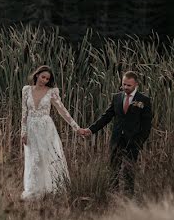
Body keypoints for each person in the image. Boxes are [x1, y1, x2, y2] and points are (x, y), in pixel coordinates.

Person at [78, 71, 152, 195]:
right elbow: (106, 116)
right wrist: (91, 130)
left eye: (129, 85)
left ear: (136, 85)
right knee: (113, 170)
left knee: (129, 172)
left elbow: (146, 125)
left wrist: (139, 142)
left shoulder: (144, 100)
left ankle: (128, 199)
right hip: (116, 140)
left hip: (132, 141)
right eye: (124, 84)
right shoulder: (117, 97)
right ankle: (113, 197)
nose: (126, 87)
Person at [20, 65, 81, 200]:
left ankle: (51, 188)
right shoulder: (26, 90)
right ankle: (34, 190)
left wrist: (76, 127)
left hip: (46, 128)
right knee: (33, 158)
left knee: (47, 157)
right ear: (37, 75)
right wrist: (23, 132)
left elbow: (62, 110)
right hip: (31, 127)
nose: (45, 80)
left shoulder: (51, 92)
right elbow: (24, 112)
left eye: (47, 79)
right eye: (43, 77)